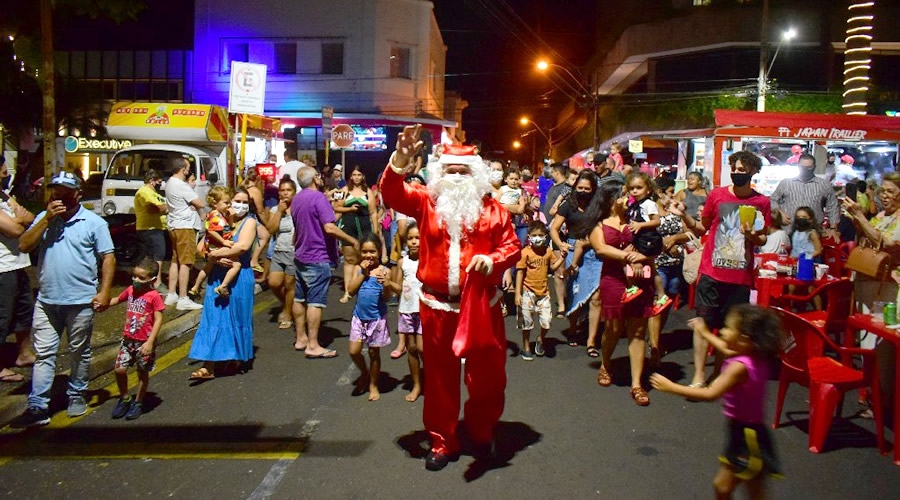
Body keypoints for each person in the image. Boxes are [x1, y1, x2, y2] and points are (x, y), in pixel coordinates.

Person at [380, 127, 521, 471]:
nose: (456, 177)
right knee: (440, 379)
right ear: (438, 175)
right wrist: (399, 160)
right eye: (450, 171)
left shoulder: (493, 210)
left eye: (463, 171)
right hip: (436, 307)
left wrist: (494, 260)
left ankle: (482, 431)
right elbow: (392, 193)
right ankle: (443, 440)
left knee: (487, 377)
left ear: (477, 175)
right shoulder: (427, 203)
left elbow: (512, 246)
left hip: (481, 307)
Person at [11, 171, 116, 427]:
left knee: (79, 352)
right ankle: (38, 405)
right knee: (44, 353)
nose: (59, 196)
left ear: (77, 194)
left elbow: (108, 258)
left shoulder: (94, 223)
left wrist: (104, 292)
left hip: (80, 301)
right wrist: (46, 219)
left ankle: (77, 394)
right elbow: (24, 246)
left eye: (66, 192)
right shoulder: (45, 219)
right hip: (47, 301)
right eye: (56, 191)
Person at [651, 305, 783, 499]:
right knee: (735, 488)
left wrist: (671, 387)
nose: (722, 331)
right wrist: (703, 331)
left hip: (748, 437)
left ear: (744, 339)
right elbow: (723, 347)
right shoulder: (752, 354)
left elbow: (711, 393)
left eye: (728, 328)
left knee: (729, 487)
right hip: (745, 431)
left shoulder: (739, 368)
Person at [672, 150, 770, 389]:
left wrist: (753, 235)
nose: (737, 173)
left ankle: (718, 373)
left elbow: (763, 239)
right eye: (734, 169)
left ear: (753, 171)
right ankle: (698, 376)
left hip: (740, 276)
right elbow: (701, 227)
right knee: (704, 322)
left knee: (731, 328)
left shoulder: (761, 202)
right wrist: (684, 215)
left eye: (742, 170)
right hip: (712, 271)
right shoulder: (717, 196)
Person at [571, 179, 653, 406]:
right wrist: (628, 255)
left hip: (640, 279)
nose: (629, 198)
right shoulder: (600, 224)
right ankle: (606, 364)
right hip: (613, 280)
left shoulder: (638, 220)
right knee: (614, 328)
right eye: (624, 194)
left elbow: (653, 244)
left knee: (638, 331)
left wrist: (642, 254)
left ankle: (637, 384)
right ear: (611, 199)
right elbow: (601, 248)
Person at [188, 188, 258, 380]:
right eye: (236, 200)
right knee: (213, 319)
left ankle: (233, 357)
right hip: (217, 275)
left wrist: (216, 254)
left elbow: (242, 247)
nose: (240, 205)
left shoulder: (249, 222)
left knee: (236, 318)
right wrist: (212, 257)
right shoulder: (219, 220)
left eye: (245, 202)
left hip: (240, 276)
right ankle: (208, 365)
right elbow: (201, 247)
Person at [842, 172, 900, 398]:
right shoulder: (882, 215)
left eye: (890, 192)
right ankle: (871, 394)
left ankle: (884, 398)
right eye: (882, 191)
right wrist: (857, 220)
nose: (884, 196)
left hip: (888, 285)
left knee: (884, 346)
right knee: (868, 343)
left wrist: (861, 217)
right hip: (868, 281)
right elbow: (867, 240)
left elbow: (886, 244)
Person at [291, 166, 358, 358]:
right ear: (315, 178)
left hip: (301, 254)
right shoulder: (318, 197)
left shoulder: (297, 198)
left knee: (299, 298)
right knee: (315, 302)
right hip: (317, 256)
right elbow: (329, 227)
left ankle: (301, 338)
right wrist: (352, 240)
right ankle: (313, 345)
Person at [551, 170, 603, 356]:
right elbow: (554, 229)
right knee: (574, 293)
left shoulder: (599, 207)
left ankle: (591, 341)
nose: (583, 191)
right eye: (579, 187)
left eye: (587, 188)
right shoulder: (568, 205)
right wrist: (560, 244)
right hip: (574, 250)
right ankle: (573, 329)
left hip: (596, 252)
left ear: (593, 189)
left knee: (597, 297)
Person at [108, 259, 165, 420]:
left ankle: (138, 402)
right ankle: (124, 397)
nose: (135, 280)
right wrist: (103, 303)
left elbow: (159, 319)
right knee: (119, 369)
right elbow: (117, 299)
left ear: (152, 280)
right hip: (128, 339)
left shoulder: (154, 296)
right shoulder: (131, 290)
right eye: (134, 276)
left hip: (144, 342)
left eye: (141, 278)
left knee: (142, 372)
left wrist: (150, 342)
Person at [347, 233, 395, 401]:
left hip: (376, 319)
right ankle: (364, 372)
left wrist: (387, 285)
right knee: (354, 351)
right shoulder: (357, 269)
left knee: (374, 353)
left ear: (379, 252)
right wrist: (362, 274)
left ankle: (373, 384)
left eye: (372, 251)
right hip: (359, 318)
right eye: (365, 252)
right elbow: (351, 290)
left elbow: (387, 298)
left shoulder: (384, 271)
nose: (369, 255)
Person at [648, 177, 689, 366]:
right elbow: (646, 236)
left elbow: (689, 232)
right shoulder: (650, 210)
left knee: (668, 303)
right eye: (670, 191)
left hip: (676, 264)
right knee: (658, 304)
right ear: (659, 192)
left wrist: (674, 238)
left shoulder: (676, 210)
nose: (673, 195)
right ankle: (654, 346)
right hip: (658, 264)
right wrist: (663, 246)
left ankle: (656, 339)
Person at [0, 190, 36, 383]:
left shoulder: (4, 196)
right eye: (2, 167)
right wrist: (18, 220)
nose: (6, 171)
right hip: (2, 267)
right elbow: (15, 231)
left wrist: (18, 220)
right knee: (2, 316)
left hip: (18, 264)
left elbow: (30, 217)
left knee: (24, 311)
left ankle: (24, 354)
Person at [515, 222, 563, 360]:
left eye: (540, 235)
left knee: (547, 321)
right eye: (534, 235)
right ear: (529, 237)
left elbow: (553, 267)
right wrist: (518, 293)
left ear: (545, 236)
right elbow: (519, 273)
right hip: (527, 291)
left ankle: (540, 339)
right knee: (526, 322)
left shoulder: (547, 252)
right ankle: (526, 346)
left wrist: (562, 258)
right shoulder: (525, 253)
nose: (537, 238)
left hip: (543, 293)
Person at [334, 165, 380, 303]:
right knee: (349, 260)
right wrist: (349, 209)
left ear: (363, 176)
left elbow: (373, 212)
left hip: (364, 228)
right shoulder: (343, 190)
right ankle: (348, 291)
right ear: (350, 176)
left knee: (365, 259)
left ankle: (364, 287)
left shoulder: (368, 192)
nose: (356, 178)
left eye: (359, 175)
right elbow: (336, 207)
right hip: (347, 227)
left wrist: (375, 231)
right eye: (354, 175)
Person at [622, 172, 666, 312]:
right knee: (653, 270)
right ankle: (661, 295)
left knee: (626, 257)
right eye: (632, 188)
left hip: (648, 239)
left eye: (639, 187)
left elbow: (656, 221)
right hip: (640, 239)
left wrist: (640, 225)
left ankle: (633, 287)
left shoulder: (649, 204)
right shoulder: (634, 205)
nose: (635, 191)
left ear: (648, 189)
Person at [164, 158, 204, 311]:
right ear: (183, 169)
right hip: (185, 225)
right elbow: (200, 203)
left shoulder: (169, 183)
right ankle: (183, 298)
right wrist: (193, 204)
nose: (188, 170)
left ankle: (172, 293)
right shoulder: (181, 185)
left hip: (174, 224)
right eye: (187, 167)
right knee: (186, 262)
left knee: (175, 260)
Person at [390, 223, 424, 401]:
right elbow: (397, 288)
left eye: (417, 238)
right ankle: (416, 384)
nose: (413, 242)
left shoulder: (428, 259)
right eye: (410, 238)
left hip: (424, 310)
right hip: (406, 309)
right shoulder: (402, 262)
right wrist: (388, 283)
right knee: (411, 348)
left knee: (422, 348)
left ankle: (432, 380)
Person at [769, 153, 840, 233]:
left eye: (809, 167)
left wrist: (833, 228)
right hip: (787, 230)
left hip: (813, 232)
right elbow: (773, 200)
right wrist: (779, 212)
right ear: (798, 166)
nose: (806, 170)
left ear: (814, 167)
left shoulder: (824, 185)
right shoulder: (786, 183)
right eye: (803, 167)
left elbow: (832, 206)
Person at [266, 176, 298, 331]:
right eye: (282, 190)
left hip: (294, 252)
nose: (285, 193)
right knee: (273, 283)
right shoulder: (274, 209)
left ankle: (287, 313)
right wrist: (279, 211)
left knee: (289, 284)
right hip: (278, 251)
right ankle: (286, 303)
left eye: (288, 190)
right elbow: (271, 229)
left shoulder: (299, 208)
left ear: (294, 192)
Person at [133, 169, 167, 287]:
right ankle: (157, 283)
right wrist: (168, 207)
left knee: (156, 255)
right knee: (157, 255)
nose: (160, 184)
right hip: (149, 229)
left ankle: (147, 280)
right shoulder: (144, 192)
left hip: (157, 228)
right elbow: (153, 208)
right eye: (159, 181)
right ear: (152, 180)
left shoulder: (156, 194)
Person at [241, 169, 270, 274]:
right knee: (265, 236)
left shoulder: (242, 187)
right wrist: (268, 225)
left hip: (241, 217)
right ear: (258, 178)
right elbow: (261, 211)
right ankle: (254, 260)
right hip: (250, 217)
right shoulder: (255, 191)